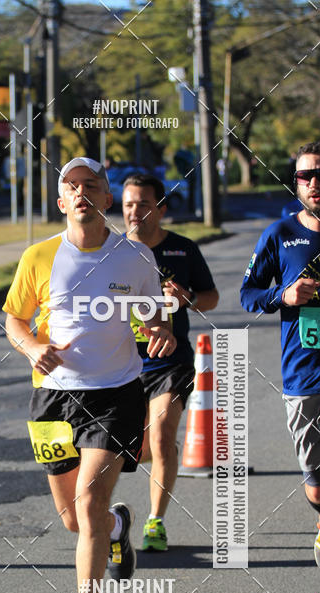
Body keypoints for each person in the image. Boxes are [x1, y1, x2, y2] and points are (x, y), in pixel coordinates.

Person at [3, 157, 176, 593]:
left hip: (115, 393)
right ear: (61, 203)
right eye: (71, 187)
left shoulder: (136, 256)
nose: (81, 193)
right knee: (74, 520)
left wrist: (160, 330)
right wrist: (31, 348)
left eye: (91, 186)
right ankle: (118, 529)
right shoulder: (38, 257)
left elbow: (151, 316)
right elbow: (14, 318)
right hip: (53, 396)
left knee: (89, 501)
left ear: (105, 199)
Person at [240, 140, 320, 593]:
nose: (315, 182)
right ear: (296, 183)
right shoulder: (281, 234)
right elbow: (249, 295)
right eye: (306, 176)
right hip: (306, 378)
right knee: (318, 493)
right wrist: (284, 294)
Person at [122, 174, 219, 551]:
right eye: (129, 204)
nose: (135, 212)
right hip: (122, 365)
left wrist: (188, 297)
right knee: (138, 448)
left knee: (162, 439)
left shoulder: (183, 249)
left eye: (143, 204)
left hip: (170, 362)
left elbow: (210, 298)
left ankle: (154, 522)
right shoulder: (111, 254)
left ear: (161, 208)